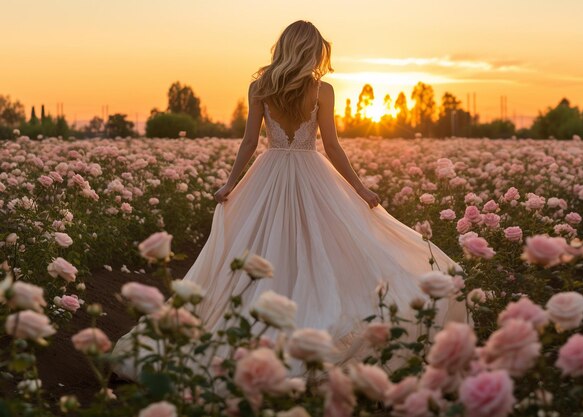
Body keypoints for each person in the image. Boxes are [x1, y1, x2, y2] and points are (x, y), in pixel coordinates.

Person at [111, 20, 466, 380]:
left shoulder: (260, 87)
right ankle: (311, 323)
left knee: (262, 250)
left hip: (269, 172)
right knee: (325, 251)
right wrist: (360, 189)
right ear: (312, 51)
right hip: (314, 174)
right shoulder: (322, 91)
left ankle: (258, 323)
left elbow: (250, 143)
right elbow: (332, 146)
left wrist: (230, 185)